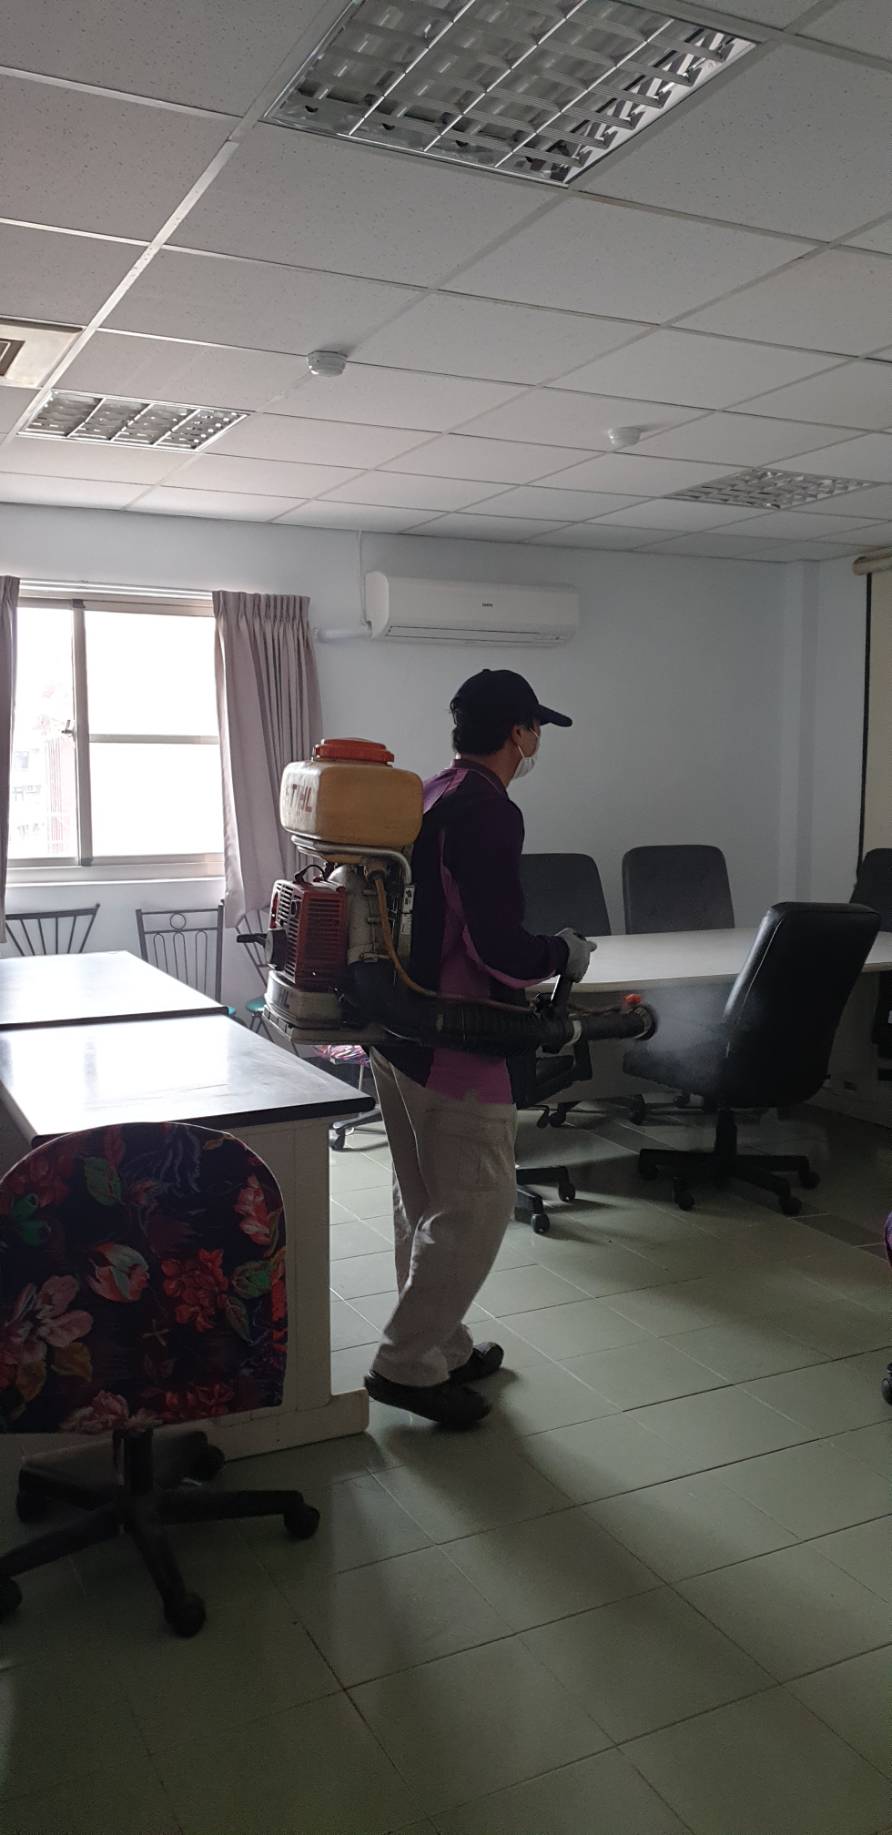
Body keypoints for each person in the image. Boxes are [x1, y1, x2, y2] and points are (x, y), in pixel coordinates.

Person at [366, 668, 592, 1429]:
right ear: (519, 733)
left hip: (396, 1029)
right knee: (477, 1208)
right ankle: (405, 1364)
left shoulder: (429, 793)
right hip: (456, 1040)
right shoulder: (491, 811)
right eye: (536, 729)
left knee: (423, 1201)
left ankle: (442, 1347)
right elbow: (498, 947)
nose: (537, 742)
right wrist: (560, 952)